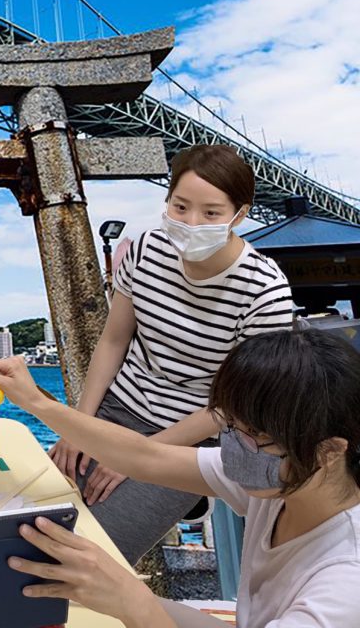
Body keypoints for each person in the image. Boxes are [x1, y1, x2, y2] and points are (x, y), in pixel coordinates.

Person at [0, 328, 360, 628]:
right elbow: (145, 456)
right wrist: (35, 401)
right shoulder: (286, 481)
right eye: (229, 425)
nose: (233, 447)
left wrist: (132, 600)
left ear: (329, 451)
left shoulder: (346, 582)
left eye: (254, 436)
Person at [50, 144, 294, 563]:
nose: (191, 222)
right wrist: (79, 424)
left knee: (90, 556)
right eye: (180, 206)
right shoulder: (147, 250)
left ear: (240, 215)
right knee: (33, 519)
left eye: (211, 213)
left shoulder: (264, 291)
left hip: (192, 439)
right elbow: (113, 340)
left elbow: (236, 404)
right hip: (117, 408)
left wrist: (140, 458)